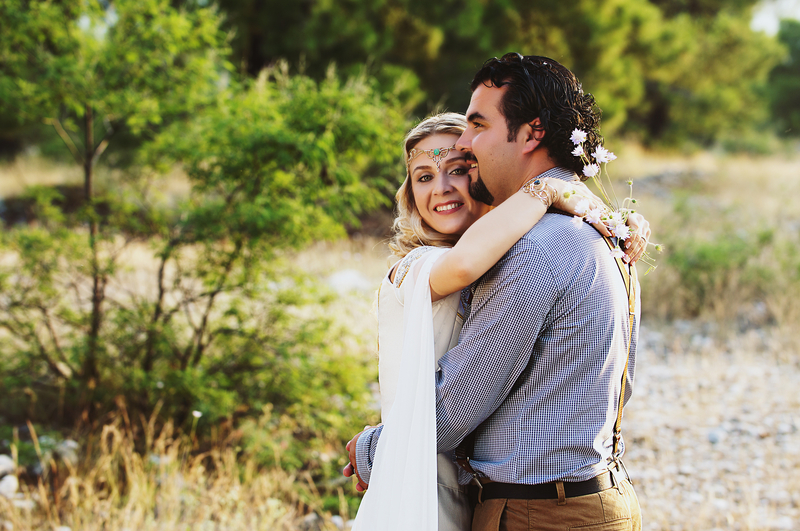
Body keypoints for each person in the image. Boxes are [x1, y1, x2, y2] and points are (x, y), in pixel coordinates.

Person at [347, 54, 645, 531]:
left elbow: (452, 412)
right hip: (594, 496)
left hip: (540, 513)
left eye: (478, 126)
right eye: (425, 176)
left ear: (531, 133)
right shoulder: (603, 229)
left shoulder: (535, 248)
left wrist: (370, 450)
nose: (467, 145)